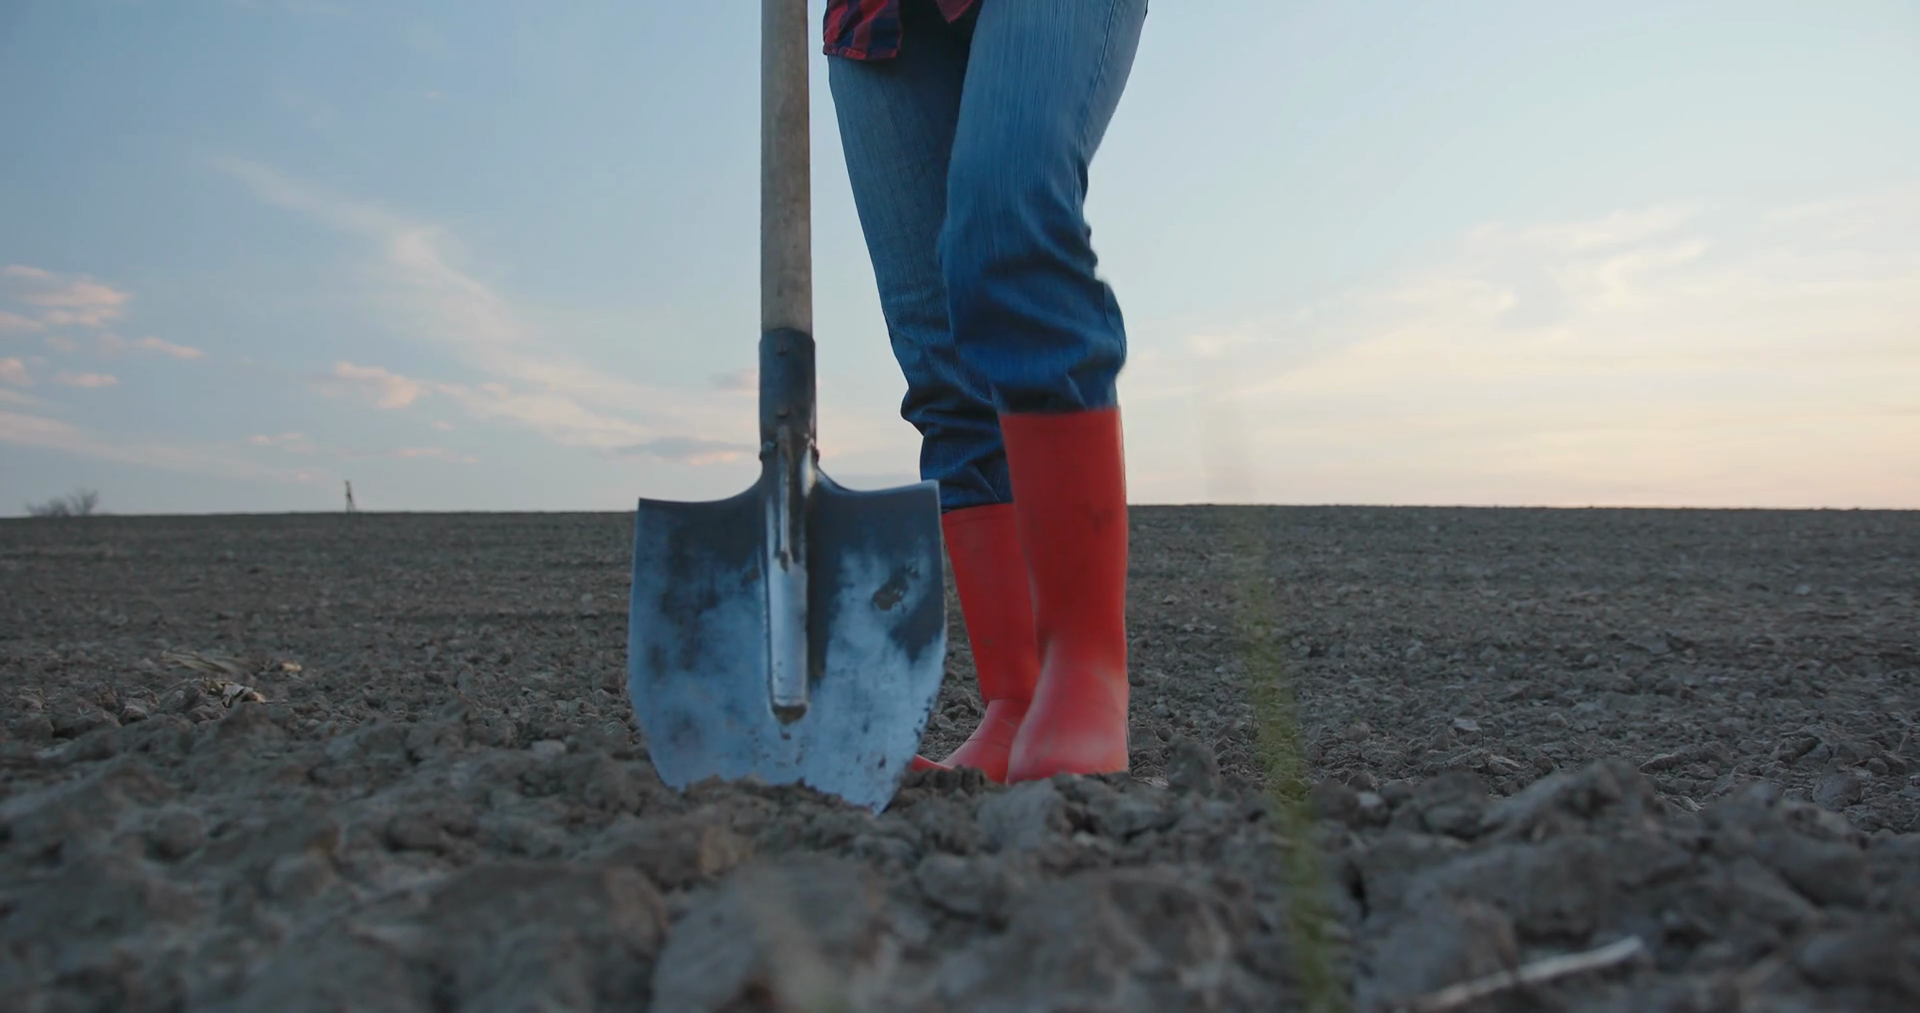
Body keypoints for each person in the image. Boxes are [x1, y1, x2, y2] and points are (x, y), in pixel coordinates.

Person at [824, 0, 1147, 783]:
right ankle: (1018, 699)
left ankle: (1084, 673)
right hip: (875, 17)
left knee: (1007, 222)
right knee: (939, 352)